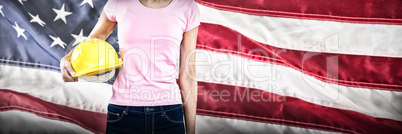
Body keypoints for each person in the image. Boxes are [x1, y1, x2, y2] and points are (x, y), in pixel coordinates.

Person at [60, 0, 200, 133]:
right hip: (124, 113)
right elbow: (92, 44)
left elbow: (188, 74)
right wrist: (67, 59)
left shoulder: (187, 6)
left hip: (169, 114)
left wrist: (191, 131)